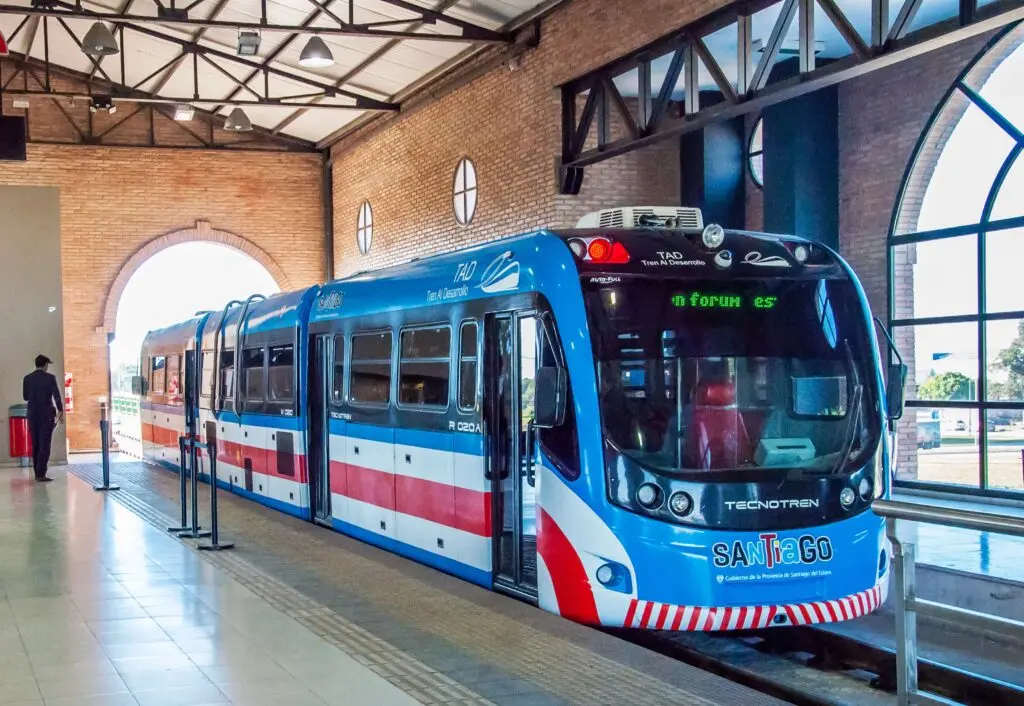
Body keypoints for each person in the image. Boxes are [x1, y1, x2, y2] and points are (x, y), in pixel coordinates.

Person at [22, 354, 63, 482]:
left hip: (32, 414)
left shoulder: (27, 378)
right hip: (47, 415)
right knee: (45, 444)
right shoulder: (50, 378)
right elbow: (56, 395)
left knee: (36, 443)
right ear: (45, 365)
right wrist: (60, 410)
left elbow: (25, 397)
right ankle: (41, 474)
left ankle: (37, 473)